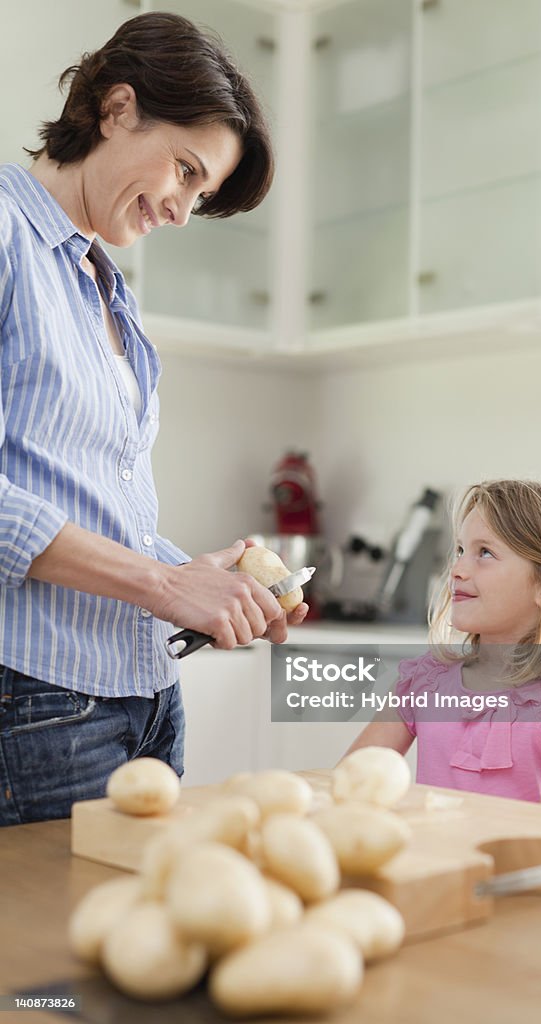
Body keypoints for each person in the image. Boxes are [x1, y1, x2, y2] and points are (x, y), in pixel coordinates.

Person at [0, 12, 307, 826]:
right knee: (56, 950)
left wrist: (199, 572)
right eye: (184, 169)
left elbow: (76, 494)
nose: (179, 211)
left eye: (197, 194)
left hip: (144, 699)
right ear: (117, 108)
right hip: (33, 697)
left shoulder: (106, 288)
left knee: (151, 942)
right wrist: (165, 584)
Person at [345, 480, 541, 813]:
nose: (458, 569)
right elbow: (348, 788)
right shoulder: (423, 682)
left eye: (485, 553)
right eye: (461, 550)